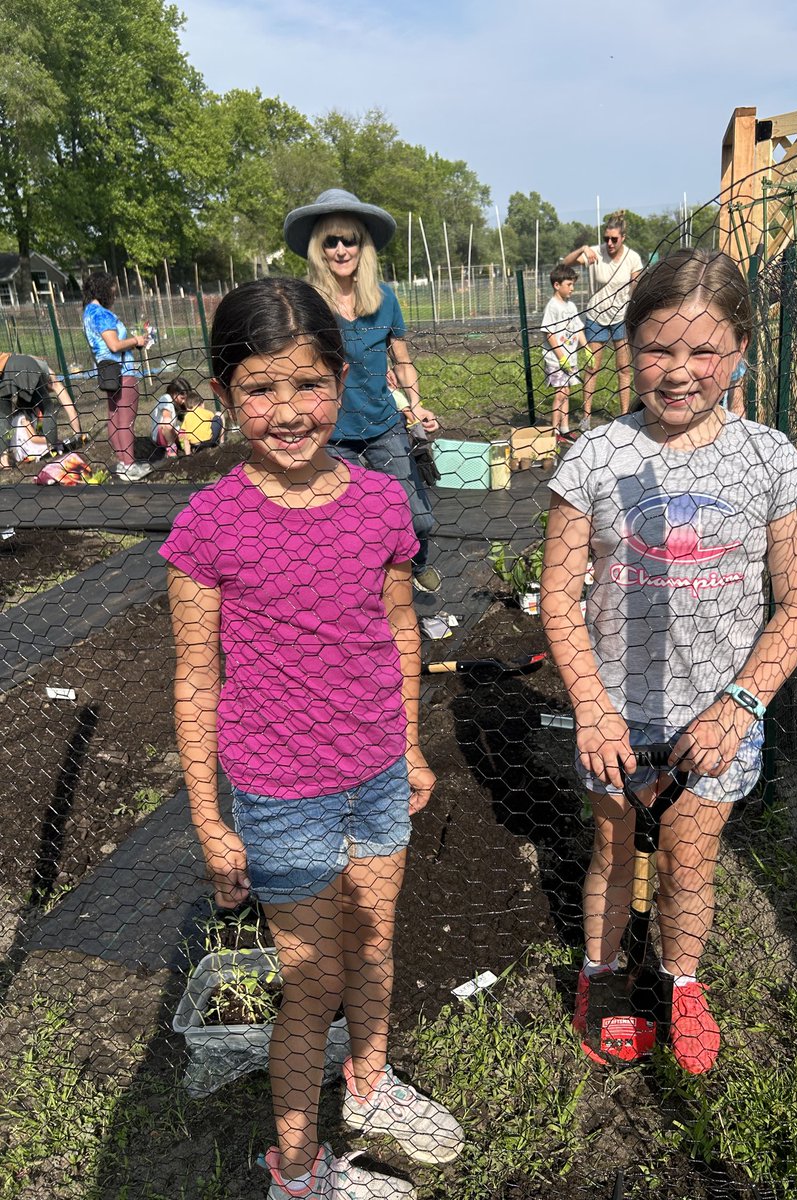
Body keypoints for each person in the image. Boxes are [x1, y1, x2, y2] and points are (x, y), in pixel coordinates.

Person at [161, 277, 463, 1200]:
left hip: (375, 773)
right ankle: (294, 1171)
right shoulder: (208, 527)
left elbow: (400, 633)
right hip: (282, 792)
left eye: (307, 385)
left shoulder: (378, 505)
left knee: (375, 945)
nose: (287, 412)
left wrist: (409, 745)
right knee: (313, 979)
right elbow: (196, 678)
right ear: (223, 397)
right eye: (260, 388)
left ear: (342, 379)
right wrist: (213, 823)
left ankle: (367, 1089)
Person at [540, 249, 797, 1075]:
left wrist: (740, 703)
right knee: (613, 852)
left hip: (719, 712)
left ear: (739, 352)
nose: (679, 372)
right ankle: (601, 972)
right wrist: (591, 705)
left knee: (690, 862)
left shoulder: (771, 460)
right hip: (616, 713)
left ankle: (682, 978)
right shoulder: (595, 458)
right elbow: (558, 597)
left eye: (704, 352)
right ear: (628, 345)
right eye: (658, 348)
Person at [284, 189, 441, 594]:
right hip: (333, 434)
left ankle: (415, 564)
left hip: (384, 424)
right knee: (349, 526)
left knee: (417, 517)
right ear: (319, 249)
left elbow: (402, 360)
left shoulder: (385, 298)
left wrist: (417, 405)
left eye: (348, 239)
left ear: (362, 245)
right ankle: (370, 596)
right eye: (330, 241)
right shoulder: (307, 303)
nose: (340, 249)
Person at [562, 214, 643, 419]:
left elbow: (637, 285)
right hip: (595, 317)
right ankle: (586, 417)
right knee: (592, 367)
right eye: (607, 238)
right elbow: (565, 264)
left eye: (614, 239)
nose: (609, 243)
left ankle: (625, 415)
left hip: (621, 318)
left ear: (623, 237)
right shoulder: (595, 253)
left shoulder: (632, 258)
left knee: (624, 368)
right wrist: (583, 248)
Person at [81, 271, 152, 481]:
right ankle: (130, 466)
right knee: (125, 419)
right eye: (112, 290)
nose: (114, 295)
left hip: (107, 371)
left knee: (114, 417)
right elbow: (114, 345)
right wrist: (136, 340)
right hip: (123, 371)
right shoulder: (101, 314)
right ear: (103, 289)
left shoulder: (88, 313)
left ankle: (122, 463)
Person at [0, 353, 83, 468]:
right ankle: (52, 449)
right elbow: (67, 403)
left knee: (3, 415)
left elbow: (10, 433)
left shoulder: (18, 418)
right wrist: (77, 432)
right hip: (28, 447)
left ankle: (3, 460)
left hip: (3, 373)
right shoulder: (49, 376)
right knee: (48, 408)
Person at [541, 264, 587, 440]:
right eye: (569, 284)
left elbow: (578, 329)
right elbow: (549, 333)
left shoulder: (571, 306)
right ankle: (555, 431)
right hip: (556, 359)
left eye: (573, 284)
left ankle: (565, 428)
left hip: (570, 358)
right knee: (560, 394)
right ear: (557, 285)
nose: (572, 288)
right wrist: (561, 358)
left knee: (566, 393)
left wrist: (587, 349)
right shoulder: (553, 306)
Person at [150, 376, 190, 456]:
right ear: (174, 393)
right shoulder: (166, 398)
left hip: (170, 433)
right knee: (168, 423)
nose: (184, 401)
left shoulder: (175, 402)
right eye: (182, 398)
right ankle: (171, 448)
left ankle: (187, 452)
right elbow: (166, 417)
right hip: (161, 435)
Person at [176, 389, 223, 456]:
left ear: (187, 408)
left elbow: (183, 431)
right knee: (219, 415)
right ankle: (222, 442)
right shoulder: (207, 412)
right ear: (202, 404)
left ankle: (188, 454)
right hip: (209, 441)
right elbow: (214, 421)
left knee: (185, 434)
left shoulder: (187, 416)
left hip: (196, 445)